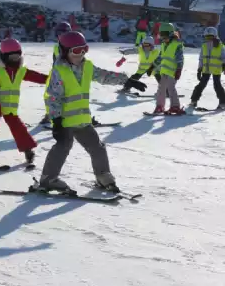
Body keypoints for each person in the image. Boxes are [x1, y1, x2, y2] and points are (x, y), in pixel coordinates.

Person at [33, 31, 147, 192]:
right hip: (64, 121)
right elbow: (52, 97)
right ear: (65, 51)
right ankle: (48, 179)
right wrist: (56, 120)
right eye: (76, 51)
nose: (80, 55)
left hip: (82, 120)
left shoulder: (87, 66)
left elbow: (104, 76)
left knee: (97, 147)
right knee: (62, 147)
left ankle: (103, 176)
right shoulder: (59, 71)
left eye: (84, 50)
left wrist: (127, 80)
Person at [187, 27, 225, 111]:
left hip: (216, 68)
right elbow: (201, 58)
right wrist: (199, 69)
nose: (209, 39)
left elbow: (224, 57)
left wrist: (224, 66)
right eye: (207, 37)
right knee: (201, 85)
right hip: (206, 69)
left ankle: (224, 102)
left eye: (210, 37)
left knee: (217, 85)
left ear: (215, 36)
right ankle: (194, 100)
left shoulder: (219, 46)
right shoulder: (204, 46)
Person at [151, 23, 184, 115]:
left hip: (173, 72)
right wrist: (152, 66)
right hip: (164, 71)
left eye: (165, 36)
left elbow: (180, 59)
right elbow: (160, 57)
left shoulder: (177, 45)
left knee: (171, 89)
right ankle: (160, 106)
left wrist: (179, 70)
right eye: (161, 35)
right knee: (161, 89)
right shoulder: (163, 45)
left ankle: (175, 106)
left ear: (170, 34)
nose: (163, 38)